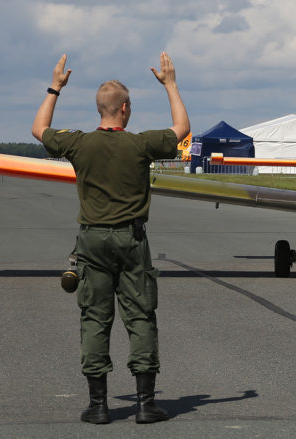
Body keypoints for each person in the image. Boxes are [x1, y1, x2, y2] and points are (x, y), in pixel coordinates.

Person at [31, 52, 190, 425]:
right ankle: (145, 404)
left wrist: (55, 86)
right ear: (125, 108)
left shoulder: (79, 144)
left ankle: (99, 405)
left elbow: (39, 129)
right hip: (132, 241)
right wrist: (170, 84)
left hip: (92, 242)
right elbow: (181, 128)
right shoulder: (140, 145)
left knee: (95, 319)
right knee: (140, 317)